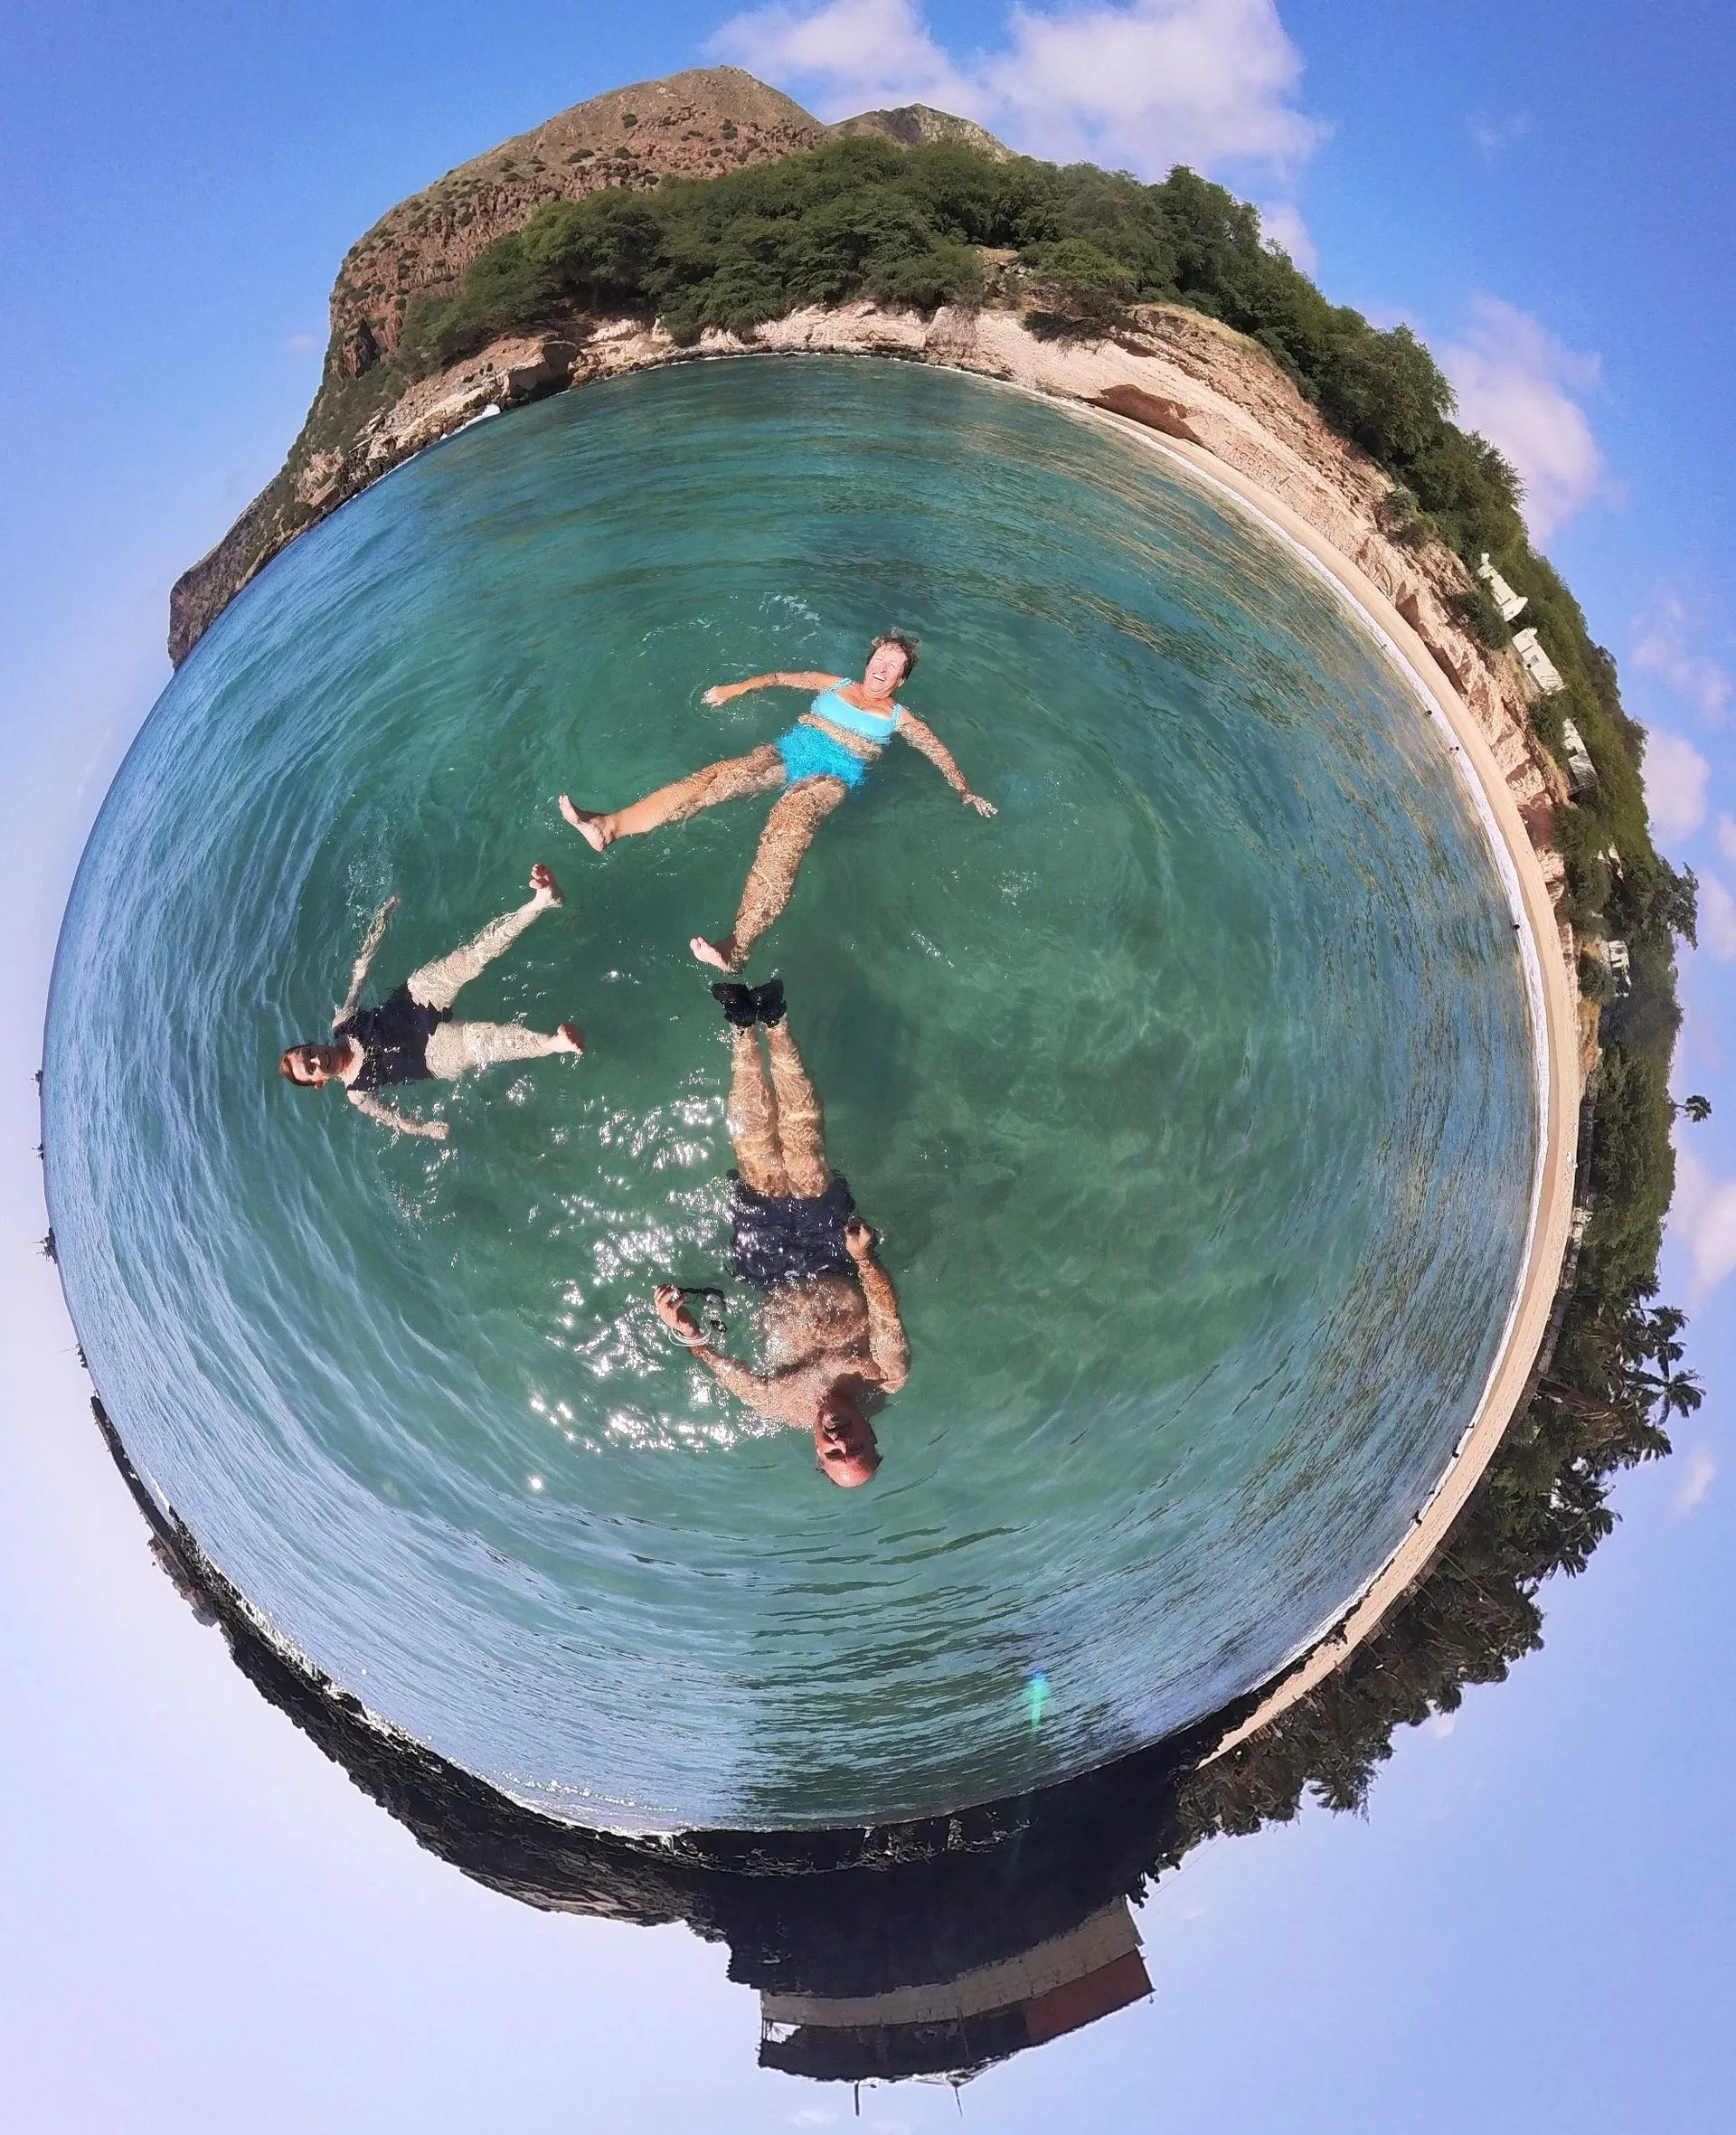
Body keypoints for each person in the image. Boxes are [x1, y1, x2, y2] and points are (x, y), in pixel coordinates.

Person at [559, 631, 995, 972]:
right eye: (879, 658)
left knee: (785, 829)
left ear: (901, 679)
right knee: (715, 778)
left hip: (832, 775)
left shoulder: (901, 718)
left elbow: (937, 750)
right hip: (789, 754)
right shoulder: (835, 684)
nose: (882, 666)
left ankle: (736, 946)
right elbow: (782, 678)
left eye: (893, 665)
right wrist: (737, 688)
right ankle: (608, 827)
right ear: (869, 662)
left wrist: (964, 790)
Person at [654, 978, 909, 1488]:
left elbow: (721, 1367)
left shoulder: (781, 1402)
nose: (841, 1440)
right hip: (832, 1257)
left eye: (834, 1454)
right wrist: (862, 1258)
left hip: (767, 1268)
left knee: (756, 1157)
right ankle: (777, 1021)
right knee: (805, 1152)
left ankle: (743, 1029)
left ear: (818, 1453)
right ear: (872, 1437)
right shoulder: (885, 1375)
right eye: (855, 1446)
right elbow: (885, 1313)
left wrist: (684, 1329)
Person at [279, 864, 583, 1138]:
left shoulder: (342, 1023)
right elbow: (393, 1118)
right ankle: (552, 1045)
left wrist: (380, 923)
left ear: (312, 1044)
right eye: (311, 1068)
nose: (317, 1059)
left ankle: (540, 903)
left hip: (414, 999)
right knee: (482, 1043)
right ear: (318, 1082)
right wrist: (425, 1129)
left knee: (471, 957)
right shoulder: (357, 1094)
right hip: (429, 1054)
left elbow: (360, 975)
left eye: (310, 1053)